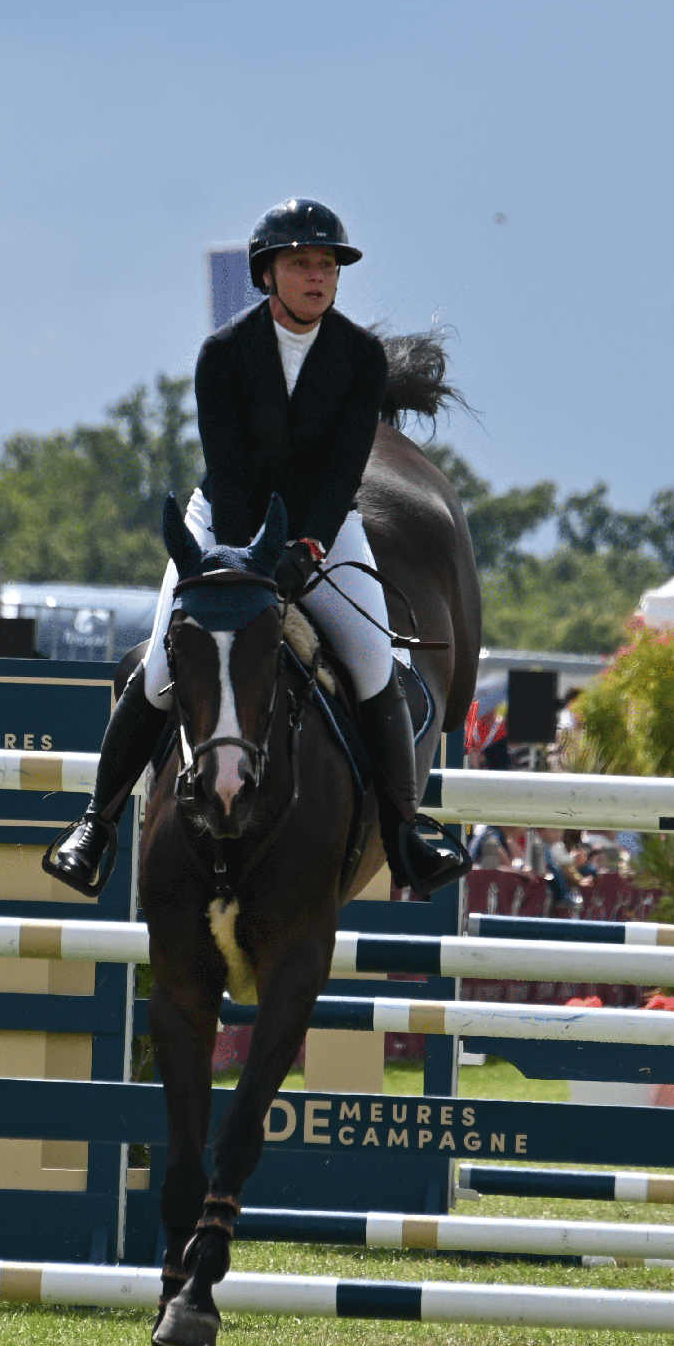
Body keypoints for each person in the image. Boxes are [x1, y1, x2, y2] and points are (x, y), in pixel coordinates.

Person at [40, 198, 466, 898]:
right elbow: (231, 472)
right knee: (154, 671)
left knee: (372, 665)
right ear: (268, 273)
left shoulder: (357, 357)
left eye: (327, 264)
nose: (318, 276)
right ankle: (97, 827)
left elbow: (342, 470)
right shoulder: (225, 354)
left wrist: (308, 544)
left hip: (323, 525)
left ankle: (404, 831)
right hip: (225, 524)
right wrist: (254, 561)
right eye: (302, 263)